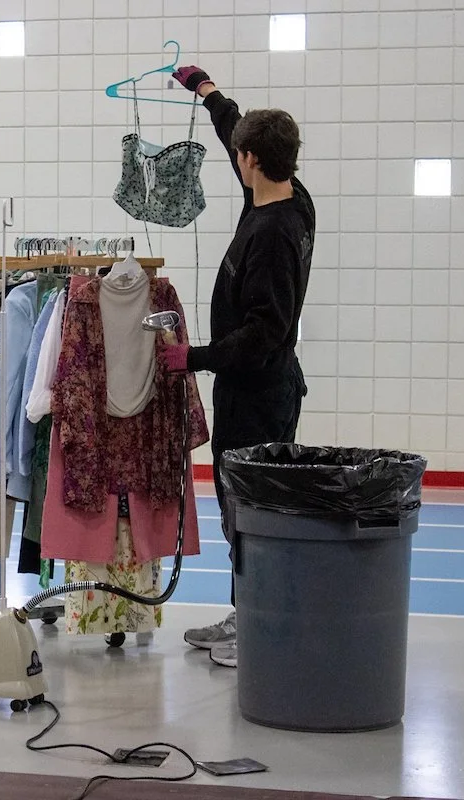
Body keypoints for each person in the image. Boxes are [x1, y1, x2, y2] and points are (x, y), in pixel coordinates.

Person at [159, 67, 315, 669]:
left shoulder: (275, 233)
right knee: (245, 510)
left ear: (252, 160)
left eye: (240, 154)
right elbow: (237, 134)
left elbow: (263, 333)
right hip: (259, 389)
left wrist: (190, 360)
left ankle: (256, 626)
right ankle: (247, 613)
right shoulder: (288, 195)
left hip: (259, 394)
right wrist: (208, 95)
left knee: (248, 512)